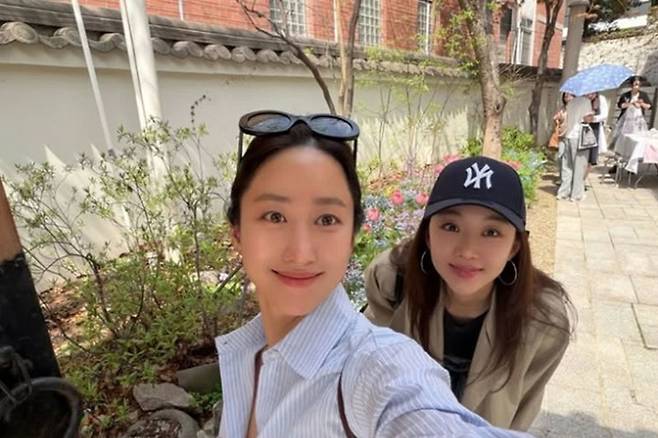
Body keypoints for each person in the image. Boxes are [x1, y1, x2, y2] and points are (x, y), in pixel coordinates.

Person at [216, 111, 528, 437]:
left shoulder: (376, 368)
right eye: (274, 216)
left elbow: (412, 404)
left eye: (326, 219)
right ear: (236, 231)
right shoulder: (248, 352)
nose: (301, 253)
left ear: (352, 237)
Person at [364, 156, 574, 431]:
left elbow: (519, 416)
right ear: (427, 234)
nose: (467, 250)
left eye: (491, 232)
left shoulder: (544, 323)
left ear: (514, 246)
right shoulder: (390, 282)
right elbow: (369, 375)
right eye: (451, 227)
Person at [609, 77, 653, 175]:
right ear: (631, 85)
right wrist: (631, 103)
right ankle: (616, 165)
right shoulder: (626, 95)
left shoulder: (643, 95)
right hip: (625, 122)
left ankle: (631, 166)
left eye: (638, 85)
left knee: (634, 144)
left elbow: (649, 106)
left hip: (637, 123)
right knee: (621, 143)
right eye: (635, 85)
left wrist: (642, 104)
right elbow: (620, 105)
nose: (636, 87)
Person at [557, 95, 595, 201]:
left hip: (568, 136)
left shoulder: (571, 103)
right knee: (579, 167)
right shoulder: (586, 102)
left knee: (567, 166)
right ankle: (576, 194)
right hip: (579, 137)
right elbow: (587, 119)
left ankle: (563, 192)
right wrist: (592, 115)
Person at [584, 92, 609, 185]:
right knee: (582, 155)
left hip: (595, 129)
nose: (590, 95)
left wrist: (593, 118)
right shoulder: (582, 99)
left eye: (592, 93)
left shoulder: (601, 99)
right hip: (583, 128)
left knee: (591, 157)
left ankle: (583, 179)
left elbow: (604, 115)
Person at [552, 92, 574, 183]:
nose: (567, 98)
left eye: (569, 96)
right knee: (560, 157)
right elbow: (555, 118)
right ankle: (562, 178)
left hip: (572, 137)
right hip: (562, 136)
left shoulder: (576, 108)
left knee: (570, 159)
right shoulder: (563, 109)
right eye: (565, 96)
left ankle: (570, 179)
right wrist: (557, 121)